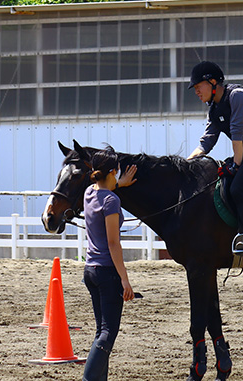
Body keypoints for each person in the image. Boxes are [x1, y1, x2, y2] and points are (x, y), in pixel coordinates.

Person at [186, 61, 243, 267]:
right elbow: (206, 142)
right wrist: (186, 164)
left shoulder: (238, 96)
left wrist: (236, 165)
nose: (196, 92)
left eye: (198, 87)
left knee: (238, 189)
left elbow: (237, 133)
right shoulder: (214, 108)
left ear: (212, 82)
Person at [82, 146, 137, 381]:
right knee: (107, 334)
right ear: (114, 171)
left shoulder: (88, 193)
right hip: (107, 272)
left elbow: (106, 187)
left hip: (90, 270)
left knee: (100, 331)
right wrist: (125, 279)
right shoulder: (111, 201)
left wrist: (120, 183)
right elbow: (114, 243)